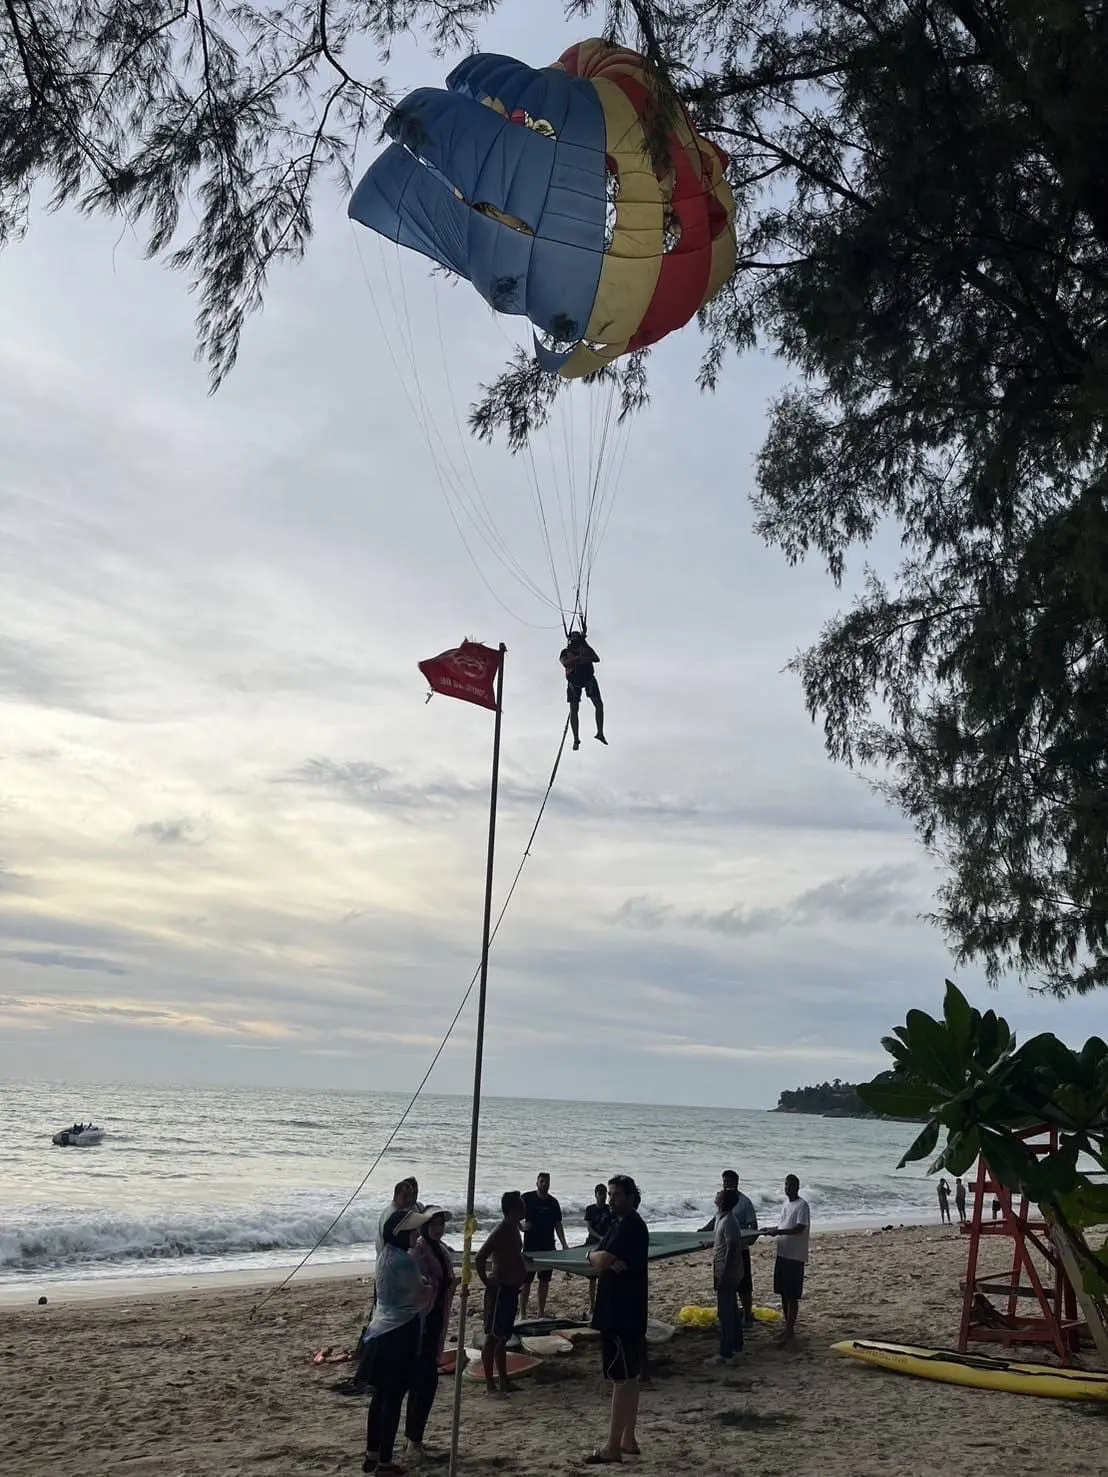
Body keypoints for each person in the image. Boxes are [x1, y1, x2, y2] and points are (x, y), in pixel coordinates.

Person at [356, 1207, 434, 1475]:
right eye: (413, 1231)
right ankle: (385, 1462)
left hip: (379, 1331)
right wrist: (428, 1285)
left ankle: (372, 1454)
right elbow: (423, 1294)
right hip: (399, 1333)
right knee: (393, 1399)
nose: (416, 1234)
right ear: (403, 1234)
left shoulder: (385, 1255)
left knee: (380, 1397)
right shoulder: (404, 1261)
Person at [585, 1174, 649, 1466]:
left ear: (630, 1197)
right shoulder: (619, 1223)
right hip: (627, 1311)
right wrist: (599, 1256)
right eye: (609, 1194)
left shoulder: (629, 1226)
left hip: (621, 1313)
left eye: (616, 1195)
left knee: (621, 1379)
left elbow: (601, 1259)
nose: (611, 1200)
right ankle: (628, 1439)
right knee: (630, 1377)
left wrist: (594, 1255)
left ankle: (612, 1445)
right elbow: (602, 1257)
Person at [404, 1208, 456, 1466]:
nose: (438, 1228)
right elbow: (416, 1288)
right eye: (434, 1224)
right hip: (421, 1324)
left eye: (441, 1224)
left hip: (437, 1322)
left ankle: (416, 1437)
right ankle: (413, 1440)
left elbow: (447, 1280)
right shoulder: (418, 1252)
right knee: (422, 1383)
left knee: (428, 1383)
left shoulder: (442, 1250)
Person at [475, 1190, 528, 1396]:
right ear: (512, 1209)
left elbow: (513, 1254)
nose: (524, 1208)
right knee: (493, 1337)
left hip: (511, 1289)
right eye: (521, 1205)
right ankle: (490, 1384)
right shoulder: (501, 1230)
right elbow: (480, 1257)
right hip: (500, 1289)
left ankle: (504, 1380)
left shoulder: (515, 1227)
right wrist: (486, 1281)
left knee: (503, 1337)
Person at [698, 1169, 758, 1323]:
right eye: (724, 1181)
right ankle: (729, 1316)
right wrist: (702, 1232)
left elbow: (753, 1228)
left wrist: (744, 1242)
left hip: (739, 1249)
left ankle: (747, 1316)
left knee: (743, 1286)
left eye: (729, 1182)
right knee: (723, 1287)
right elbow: (715, 1221)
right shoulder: (723, 1203)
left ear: (736, 1183)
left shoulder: (744, 1202)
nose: (726, 1184)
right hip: (721, 1250)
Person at [766, 1174, 810, 1346]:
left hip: (795, 1255)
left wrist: (779, 1232)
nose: (787, 1188)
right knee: (783, 1292)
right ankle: (787, 1327)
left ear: (797, 1187)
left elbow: (799, 1228)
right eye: (785, 1185)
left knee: (792, 1294)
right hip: (783, 1253)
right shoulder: (786, 1204)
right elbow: (783, 1225)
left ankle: (790, 1330)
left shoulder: (802, 1205)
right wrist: (771, 1230)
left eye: (790, 1185)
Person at [520, 1172, 568, 1320]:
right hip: (530, 1247)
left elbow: (558, 1225)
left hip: (548, 1247)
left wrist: (564, 1244)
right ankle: (522, 1313)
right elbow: (513, 1214)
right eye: (542, 1181)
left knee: (544, 1281)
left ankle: (541, 1312)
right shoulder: (527, 1198)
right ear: (537, 1183)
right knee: (526, 1281)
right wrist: (521, 1227)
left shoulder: (553, 1202)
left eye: (547, 1182)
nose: (544, 1184)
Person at [710, 1187, 745, 1365]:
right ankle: (737, 1346)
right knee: (731, 1309)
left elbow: (732, 1248)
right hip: (725, 1271)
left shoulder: (729, 1221)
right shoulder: (722, 1218)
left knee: (725, 1313)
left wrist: (724, 1273)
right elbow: (724, 1242)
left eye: (720, 1194)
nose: (717, 1195)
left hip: (727, 1273)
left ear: (723, 1201)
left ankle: (726, 1353)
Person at [559, 630, 606, 750]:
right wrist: (581, 658)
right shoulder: (566, 652)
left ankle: (600, 733)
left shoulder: (586, 649)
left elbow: (596, 658)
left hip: (588, 679)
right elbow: (565, 662)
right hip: (574, 682)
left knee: (599, 705)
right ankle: (576, 739)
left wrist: (583, 653)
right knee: (574, 709)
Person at [584, 1183, 614, 1316]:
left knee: (605, 1274)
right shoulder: (590, 1209)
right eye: (600, 1194)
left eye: (604, 1194)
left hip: (607, 1242)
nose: (603, 1196)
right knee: (592, 1277)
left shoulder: (609, 1209)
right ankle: (592, 1305)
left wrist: (607, 1238)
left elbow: (614, 1224)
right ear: (595, 1195)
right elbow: (589, 1227)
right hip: (592, 1242)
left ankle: (604, 1304)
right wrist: (599, 1237)